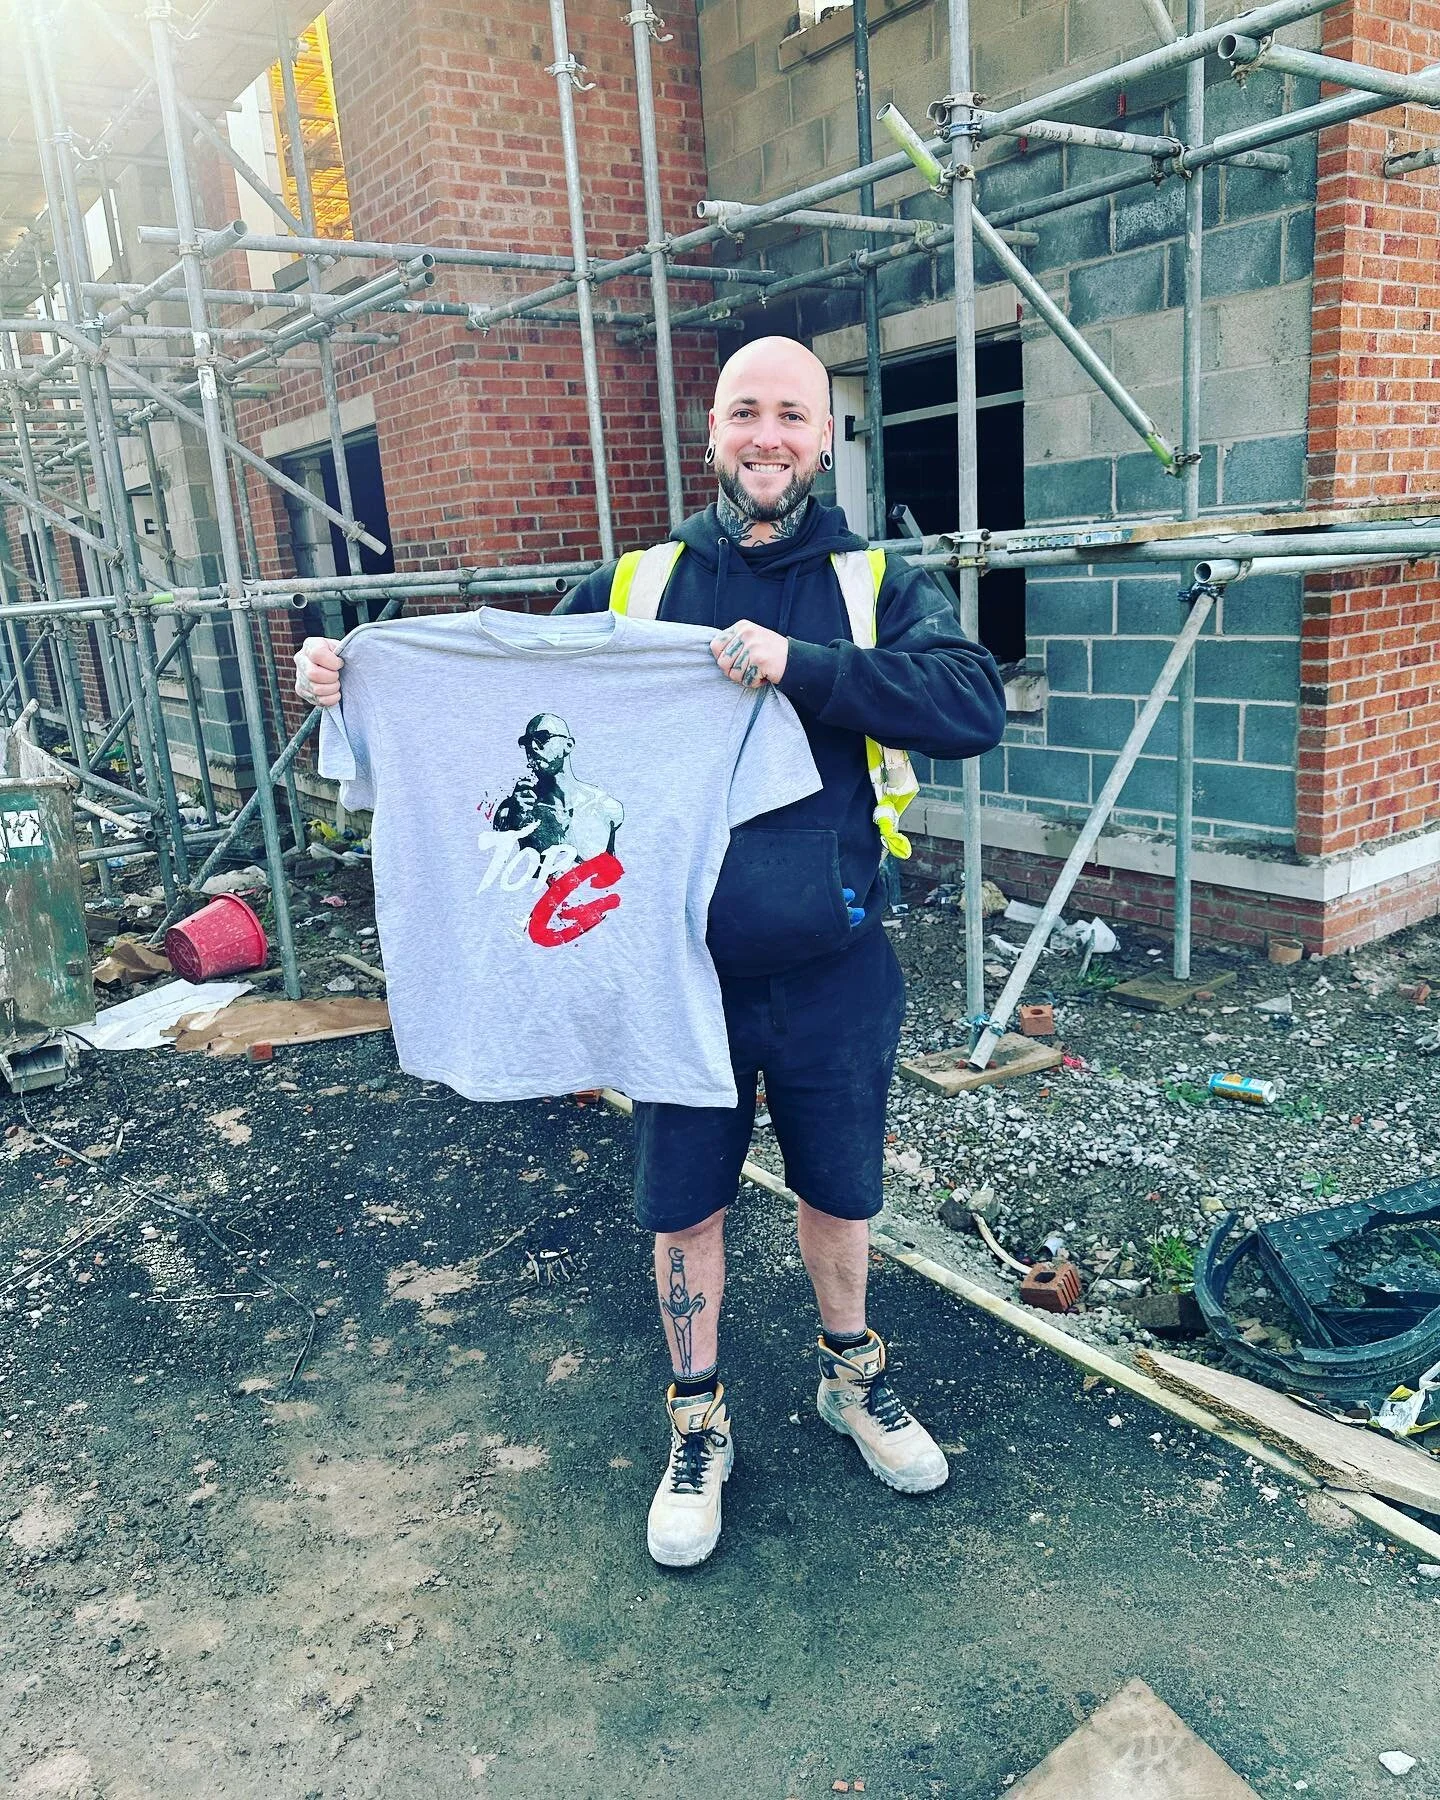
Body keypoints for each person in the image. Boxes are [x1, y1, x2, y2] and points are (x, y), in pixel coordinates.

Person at [295, 334, 1007, 1569]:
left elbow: (969, 706)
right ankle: (697, 1422)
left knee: (843, 1193)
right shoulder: (643, 583)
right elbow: (513, 689)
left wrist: (805, 669)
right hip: (669, 972)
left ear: (827, 437)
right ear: (714, 432)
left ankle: (854, 1377)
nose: (768, 435)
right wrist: (356, 681)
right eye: (746, 412)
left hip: (834, 964)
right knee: (687, 1208)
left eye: (794, 413)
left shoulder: (876, 582)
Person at [492, 711, 624, 865]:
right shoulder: (512, 811)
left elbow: (614, 874)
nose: (533, 747)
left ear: (568, 745)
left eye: (543, 738)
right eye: (527, 741)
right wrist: (514, 821)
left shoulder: (607, 808)